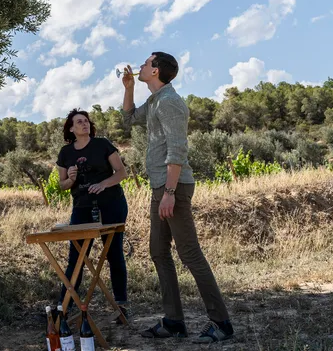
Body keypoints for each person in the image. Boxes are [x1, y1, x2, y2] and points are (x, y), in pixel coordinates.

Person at [121, 52, 235, 343]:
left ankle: (221, 324)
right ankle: (174, 322)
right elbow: (129, 120)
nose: (141, 66)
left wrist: (170, 193)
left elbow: (177, 150)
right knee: (159, 252)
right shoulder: (155, 100)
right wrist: (129, 88)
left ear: (156, 70)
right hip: (161, 187)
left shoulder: (171, 103)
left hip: (174, 188)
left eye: (146, 63)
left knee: (190, 253)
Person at [55, 108, 130, 323]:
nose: (84, 124)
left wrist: (102, 184)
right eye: (79, 122)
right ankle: (65, 307)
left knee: (113, 254)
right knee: (76, 257)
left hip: (111, 204)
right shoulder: (65, 153)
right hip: (82, 208)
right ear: (71, 128)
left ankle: (122, 307)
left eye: (86, 121)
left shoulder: (103, 144)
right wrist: (70, 179)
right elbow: (63, 185)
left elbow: (121, 173)